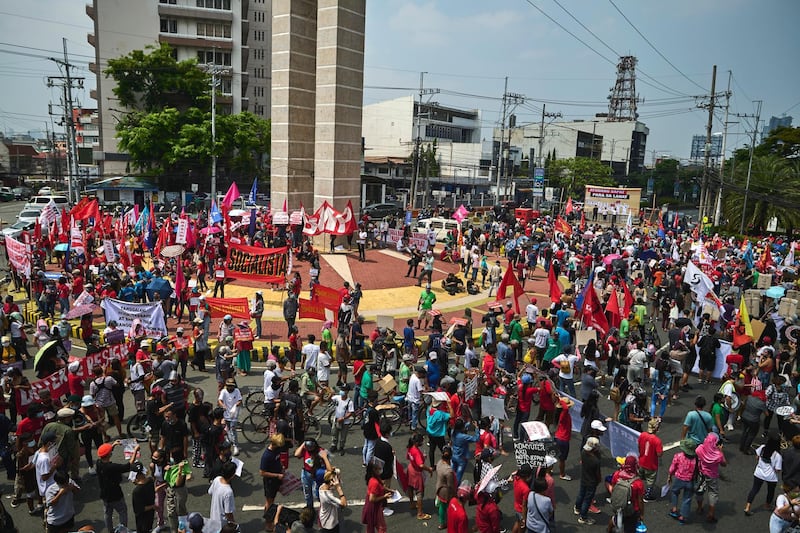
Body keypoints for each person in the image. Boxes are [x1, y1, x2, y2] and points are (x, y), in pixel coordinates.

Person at [96, 440, 139, 532]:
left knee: (107, 513)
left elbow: (106, 453)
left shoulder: (98, 463)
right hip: (115, 494)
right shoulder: (112, 467)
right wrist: (135, 451)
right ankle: (122, 530)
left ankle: (110, 530)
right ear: (109, 455)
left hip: (104, 494)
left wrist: (114, 445)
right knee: (122, 511)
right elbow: (128, 466)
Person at [744, 429, 783, 516]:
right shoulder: (777, 455)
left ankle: (747, 507)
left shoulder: (762, 447)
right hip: (771, 476)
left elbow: (757, 457)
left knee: (754, 489)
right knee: (770, 490)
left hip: (759, 473)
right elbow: (778, 469)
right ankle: (767, 505)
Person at [695, 432, 727, 523]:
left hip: (701, 473)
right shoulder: (718, 455)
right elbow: (724, 464)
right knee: (712, 493)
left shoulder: (699, 449)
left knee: (700, 491)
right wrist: (720, 450)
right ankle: (711, 513)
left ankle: (700, 508)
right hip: (712, 476)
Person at [609, 455, 645, 533]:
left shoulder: (617, 475)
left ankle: (609, 530)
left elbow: (613, 488)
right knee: (630, 528)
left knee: (616, 519)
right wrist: (641, 513)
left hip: (618, 504)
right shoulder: (638, 483)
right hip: (631, 510)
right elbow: (640, 501)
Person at [295, 438, 333, 509]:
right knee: (307, 492)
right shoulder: (305, 450)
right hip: (306, 473)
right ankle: (309, 507)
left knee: (316, 493)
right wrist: (303, 443)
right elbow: (296, 454)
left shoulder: (321, 451)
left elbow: (328, 466)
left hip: (316, 476)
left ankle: (324, 506)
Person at [668, 439, 698, 524]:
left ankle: (674, 509)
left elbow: (672, 468)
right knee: (687, 499)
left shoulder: (678, 456)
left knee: (674, 492)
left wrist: (670, 475)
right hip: (690, 481)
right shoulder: (696, 460)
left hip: (679, 479)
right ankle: (682, 517)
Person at [406, 432, 434, 520]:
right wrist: (429, 469)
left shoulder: (410, 447)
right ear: (417, 442)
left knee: (410, 487)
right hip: (417, 473)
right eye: (421, 441)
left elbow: (409, 457)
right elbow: (421, 465)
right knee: (419, 493)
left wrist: (421, 458)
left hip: (410, 468)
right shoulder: (416, 451)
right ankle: (420, 513)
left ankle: (411, 503)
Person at [575, 436, 602, 525]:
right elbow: (597, 474)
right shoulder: (595, 461)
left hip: (584, 478)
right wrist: (599, 480)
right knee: (587, 499)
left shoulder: (583, 453)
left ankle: (577, 508)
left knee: (581, 494)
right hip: (591, 481)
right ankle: (583, 517)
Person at [362, 456, 393, 533]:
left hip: (374, 507)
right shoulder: (374, 482)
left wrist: (389, 490)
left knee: (371, 528)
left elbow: (381, 486)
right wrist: (384, 496)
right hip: (374, 507)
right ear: (374, 470)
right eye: (378, 468)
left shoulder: (375, 477)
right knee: (381, 527)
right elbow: (372, 499)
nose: (380, 468)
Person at [260, 433, 285, 525]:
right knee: (269, 502)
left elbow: (278, 459)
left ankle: (270, 517)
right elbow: (262, 472)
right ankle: (268, 522)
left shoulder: (276, 450)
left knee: (272, 500)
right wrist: (277, 475)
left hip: (276, 479)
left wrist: (282, 466)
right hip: (270, 482)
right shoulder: (266, 456)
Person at [218, 378, 243, 456]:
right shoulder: (223, 392)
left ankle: (236, 445)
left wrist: (236, 405)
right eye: (228, 386)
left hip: (234, 414)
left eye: (231, 386)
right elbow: (220, 400)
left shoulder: (237, 391)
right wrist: (223, 406)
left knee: (233, 429)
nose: (230, 387)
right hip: (226, 414)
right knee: (228, 428)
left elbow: (240, 400)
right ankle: (229, 440)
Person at [451, 419, 479, 484]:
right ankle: (456, 488)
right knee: (458, 476)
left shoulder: (453, 432)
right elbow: (476, 439)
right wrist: (477, 428)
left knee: (452, 473)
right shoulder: (463, 437)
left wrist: (468, 423)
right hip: (461, 458)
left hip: (454, 455)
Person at [318, 469, 347, 533]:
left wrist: (336, 473)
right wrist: (338, 488)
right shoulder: (327, 496)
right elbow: (344, 504)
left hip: (326, 517)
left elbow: (335, 471)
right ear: (331, 482)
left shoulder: (322, 486)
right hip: (329, 523)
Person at [131, 461, 156, 533]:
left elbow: (139, 509)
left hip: (142, 519)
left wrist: (152, 506)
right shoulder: (150, 481)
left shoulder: (137, 491)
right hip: (150, 515)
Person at [209, 460, 237, 525]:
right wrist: (233, 523)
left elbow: (210, 492)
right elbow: (228, 513)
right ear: (232, 475)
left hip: (213, 517)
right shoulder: (228, 492)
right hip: (222, 523)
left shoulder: (217, 479)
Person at [436, 445, 456, 530]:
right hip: (446, 492)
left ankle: (441, 523)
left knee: (442, 506)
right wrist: (455, 493)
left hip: (439, 487)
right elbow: (451, 485)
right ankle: (452, 522)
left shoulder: (439, 463)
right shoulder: (448, 471)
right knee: (451, 507)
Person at [330, 384, 354, 454]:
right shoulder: (337, 397)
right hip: (336, 420)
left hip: (345, 422)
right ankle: (334, 446)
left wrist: (343, 418)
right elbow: (329, 400)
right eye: (341, 389)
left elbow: (351, 412)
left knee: (343, 436)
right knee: (334, 433)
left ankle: (341, 447)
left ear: (347, 391)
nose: (341, 391)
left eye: (343, 390)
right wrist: (330, 393)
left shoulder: (350, 402)